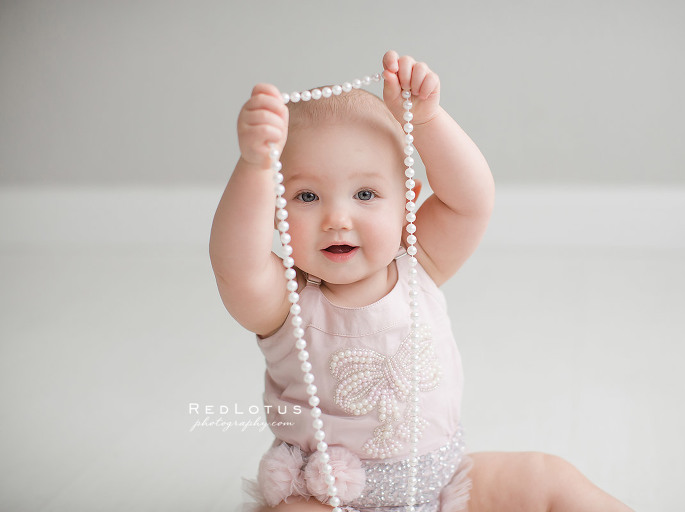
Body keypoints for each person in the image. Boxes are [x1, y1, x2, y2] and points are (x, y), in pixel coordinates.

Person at [209, 50, 633, 512]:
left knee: (549, 478)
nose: (337, 218)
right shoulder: (285, 301)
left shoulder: (420, 264)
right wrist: (253, 167)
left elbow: (470, 201)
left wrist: (425, 120)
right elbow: (237, 264)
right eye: (306, 196)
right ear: (275, 209)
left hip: (440, 483)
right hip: (326, 495)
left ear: (407, 200)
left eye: (365, 193)